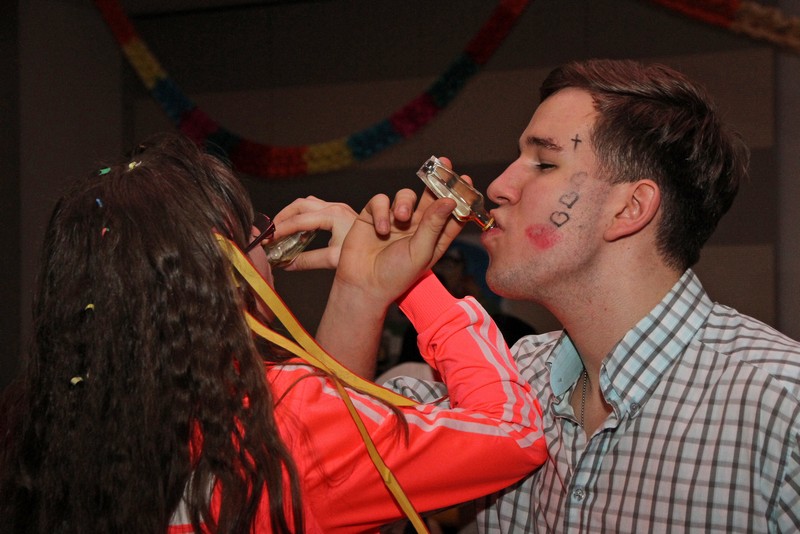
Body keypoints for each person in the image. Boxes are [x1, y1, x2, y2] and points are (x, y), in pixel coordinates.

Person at [307, 59, 800, 532]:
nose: (498, 187)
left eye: (544, 163)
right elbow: (320, 478)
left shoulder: (783, 405)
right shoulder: (500, 384)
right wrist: (361, 290)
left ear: (629, 208)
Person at [0, 133, 548, 533]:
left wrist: (360, 291)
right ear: (228, 272)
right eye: (257, 235)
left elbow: (333, 474)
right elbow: (513, 434)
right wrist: (419, 286)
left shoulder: (49, 426)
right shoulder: (282, 424)